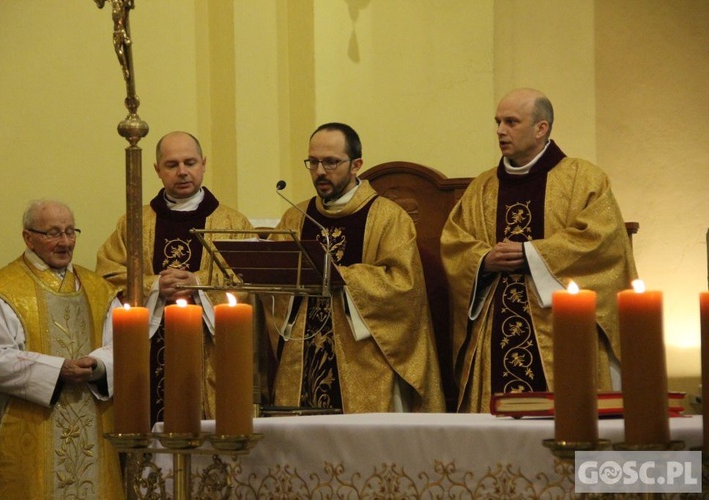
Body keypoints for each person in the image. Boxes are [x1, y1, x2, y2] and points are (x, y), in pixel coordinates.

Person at [440, 88, 638, 412]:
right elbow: (454, 242)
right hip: (495, 333)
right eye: (498, 122)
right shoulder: (482, 188)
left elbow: (602, 242)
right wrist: (484, 260)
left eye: (511, 122)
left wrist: (534, 254)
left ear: (541, 128)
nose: (500, 130)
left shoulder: (583, 178)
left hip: (563, 330)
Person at [265, 122, 445, 413]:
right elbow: (274, 286)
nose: (320, 171)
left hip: (364, 363)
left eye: (331, 162)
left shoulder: (387, 217)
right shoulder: (295, 217)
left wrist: (340, 277)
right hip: (302, 361)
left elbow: (403, 285)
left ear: (356, 165)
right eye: (313, 162)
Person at [97, 131, 255, 427]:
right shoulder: (134, 222)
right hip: (147, 354)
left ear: (203, 164)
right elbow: (107, 276)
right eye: (172, 165)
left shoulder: (233, 223)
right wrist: (155, 286)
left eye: (190, 162)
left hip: (210, 357)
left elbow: (249, 284)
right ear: (157, 170)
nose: (182, 171)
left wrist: (200, 286)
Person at [0, 200, 123, 499]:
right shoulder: (4, 288)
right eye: (53, 233)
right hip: (30, 426)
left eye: (70, 232)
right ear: (28, 237)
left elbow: (122, 344)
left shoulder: (97, 288)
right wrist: (57, 370)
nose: (65, 242)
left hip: (93, 425)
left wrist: (98, 364)